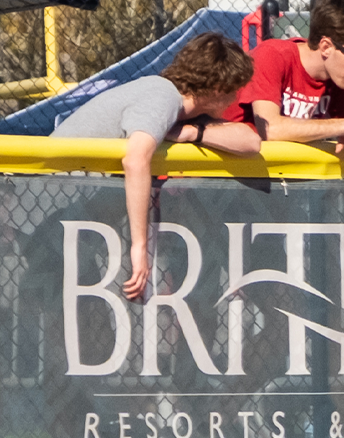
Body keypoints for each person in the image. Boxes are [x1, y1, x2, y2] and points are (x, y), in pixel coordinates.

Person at [50, 32, 259, 300]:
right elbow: (136, 160)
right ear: (218, 88)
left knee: (89, 320)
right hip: (55, 208)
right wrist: (140, 247)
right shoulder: (163, 96)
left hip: (77, 212)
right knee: (64, 314)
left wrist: (192, 133)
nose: (234, 99)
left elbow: (251, 142)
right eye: (234, 89)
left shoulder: (186, 113)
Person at [234, 0, 344, 159]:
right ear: (326, 47)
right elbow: (270, 129)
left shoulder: (341, 76)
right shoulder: (272, 55)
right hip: (228, 169)